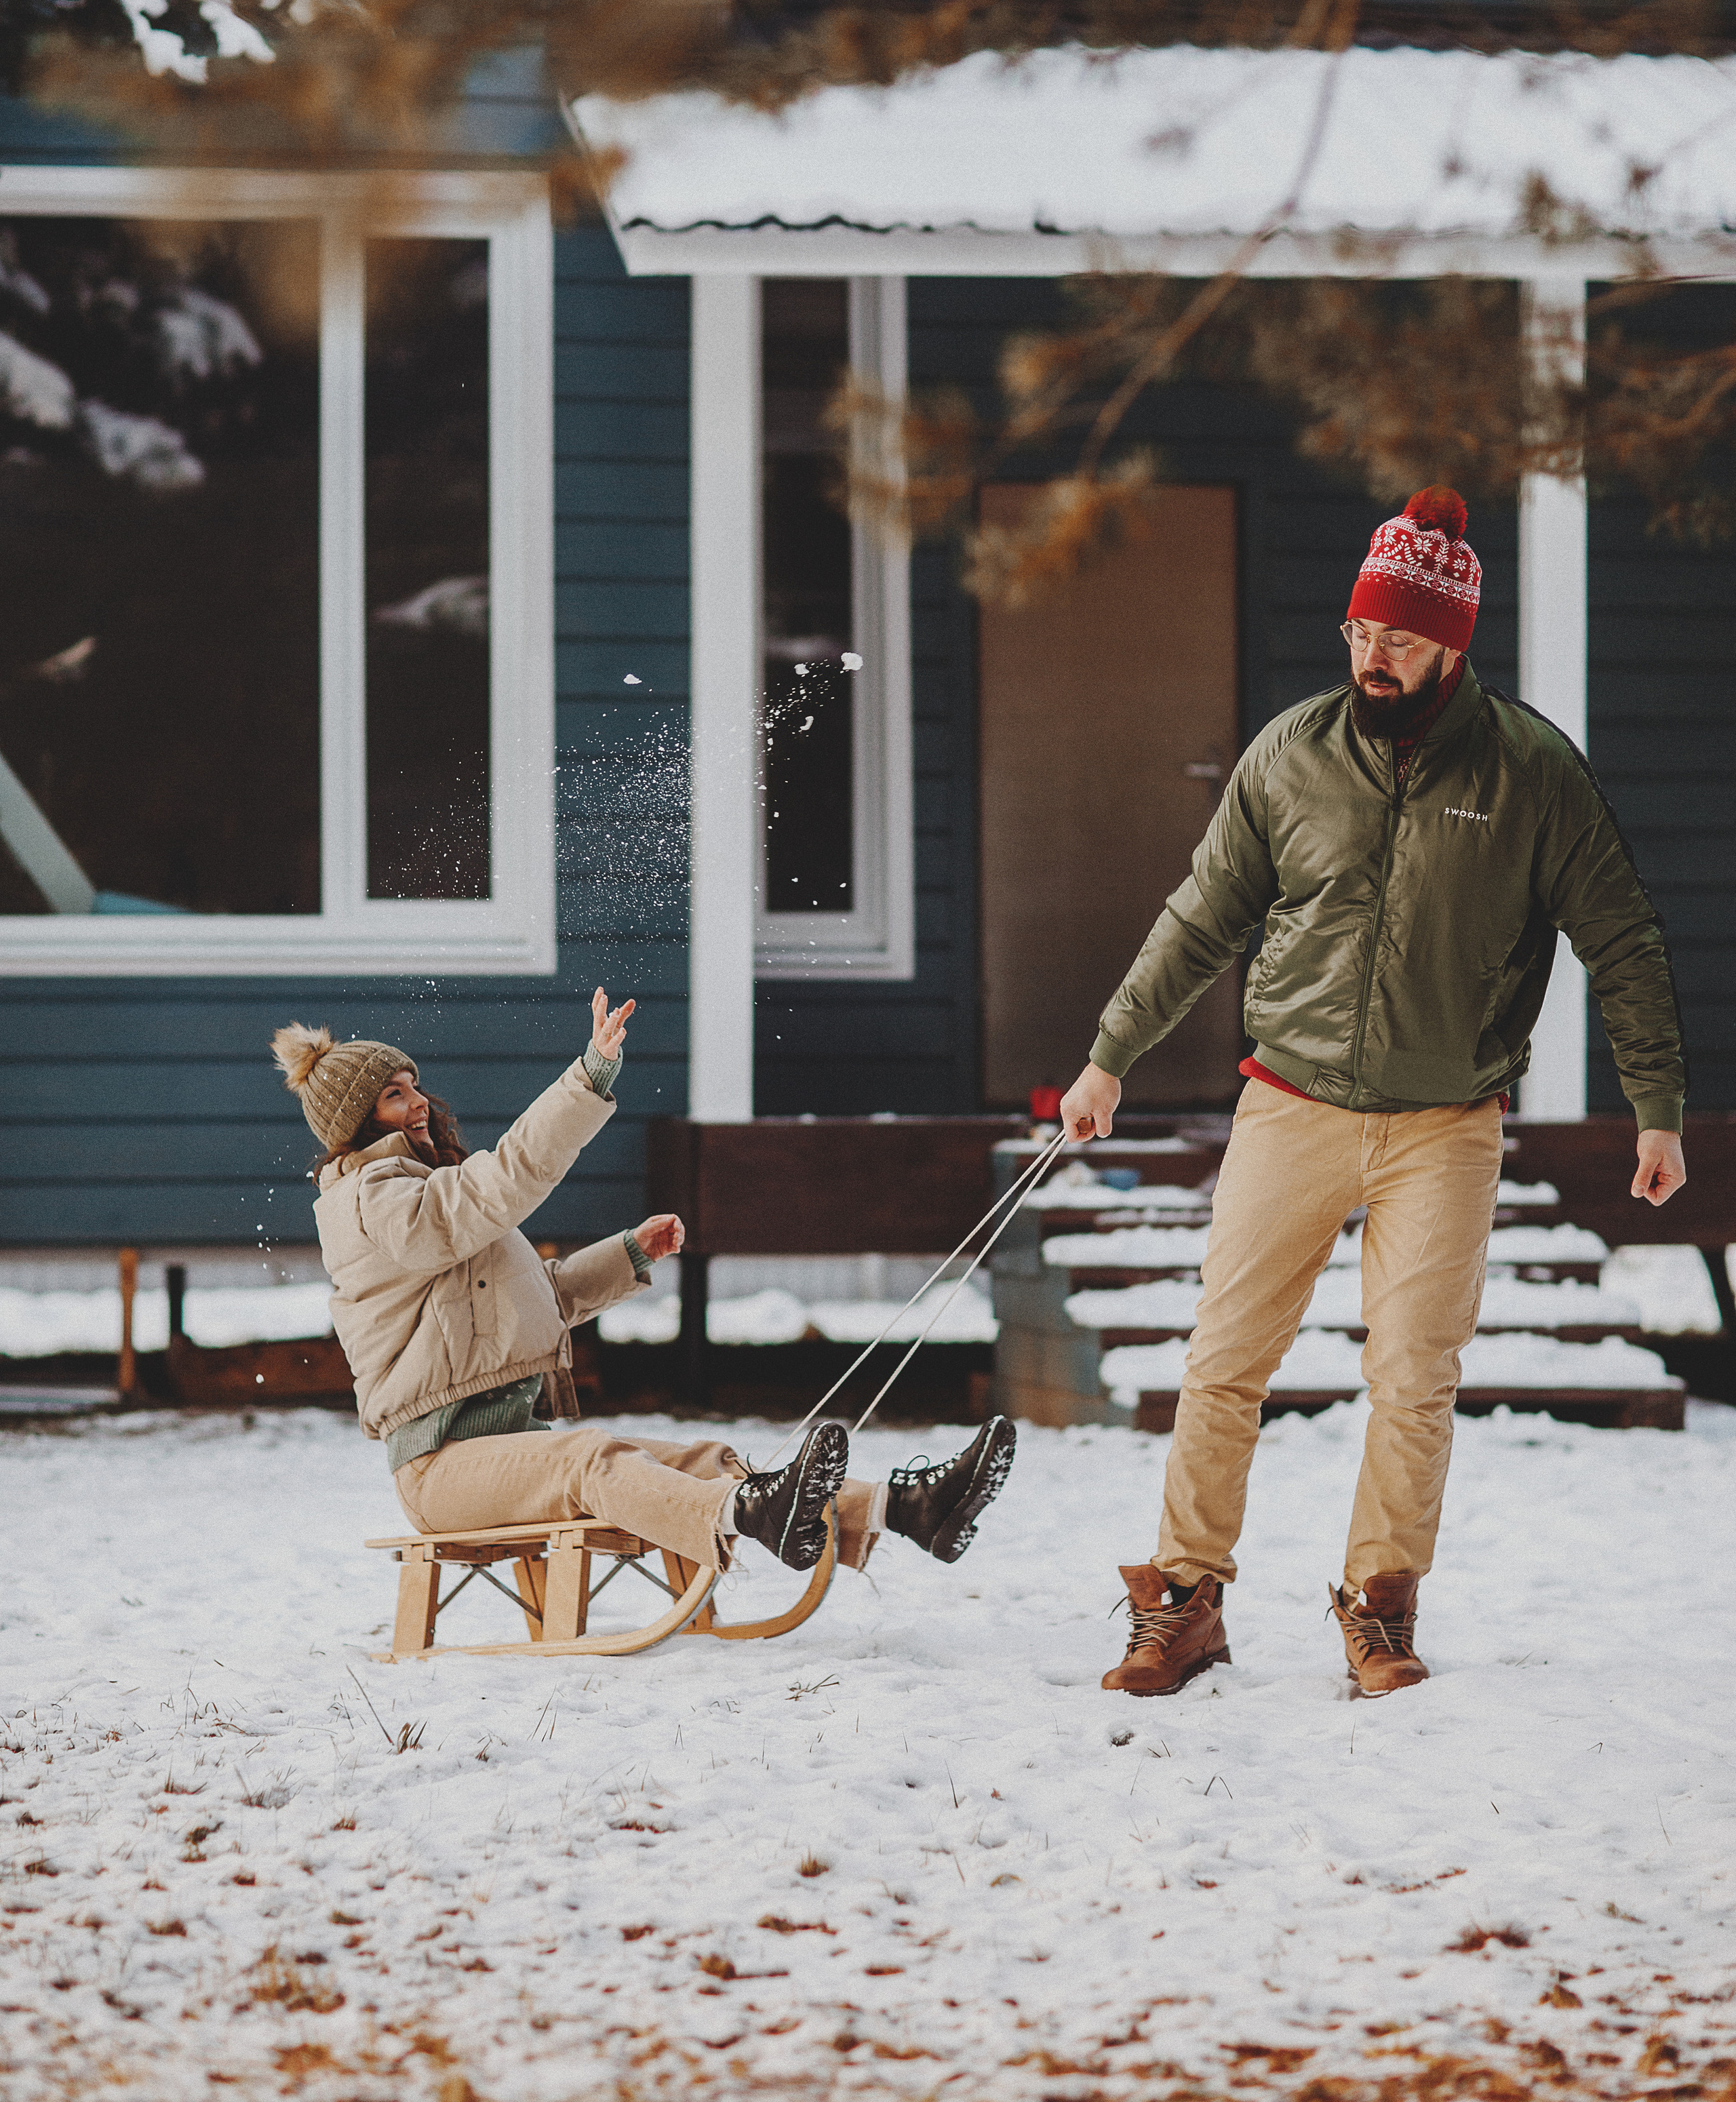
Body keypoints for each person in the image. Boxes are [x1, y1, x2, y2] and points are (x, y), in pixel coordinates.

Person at [1059, 487, 1685, 1701]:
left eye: (1397, 636)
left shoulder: (1531, 772)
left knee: (1412, 1377)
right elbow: (1200, 920)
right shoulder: (1291, 756)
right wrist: (1110, 1054)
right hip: (1291, 1102)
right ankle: (1185, 1603)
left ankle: (1381, 1606)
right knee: (1224, 1361)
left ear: (1453, 639)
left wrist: (1653, 1105)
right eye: (1359, 631)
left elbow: (1626, 940)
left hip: (1448, 1123)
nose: (1372, 654)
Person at [272, 993, 1014, 1589]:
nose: (419, 1102)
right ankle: (751, 1516)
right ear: (357, 1128)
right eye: (394, 1098)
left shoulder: (427, 1196)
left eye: (413, 1087)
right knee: (589, 1460)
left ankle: (911, 1509)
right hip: (438, 1472)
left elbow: (537, 1303)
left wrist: (627, 1255)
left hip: (501, 1448)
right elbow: (498, 1185)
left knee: (696, 1459)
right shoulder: (375, 1199)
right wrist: (587, 1077)